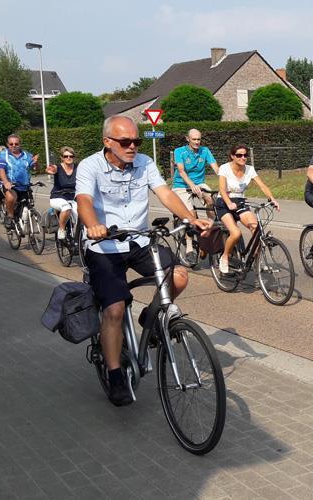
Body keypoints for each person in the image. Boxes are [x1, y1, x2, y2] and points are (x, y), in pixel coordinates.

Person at [76, 115, 210, 407]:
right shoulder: (90, 166)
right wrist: (92, 225)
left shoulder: (145, 163)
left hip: (138, 240)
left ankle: (150, 317)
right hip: (104, 245)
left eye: (136, 140)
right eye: (125, 142)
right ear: (107, 142)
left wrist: (191, 219)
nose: (133, 146)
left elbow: (165, 193)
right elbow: (84, 201)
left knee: (179, 276)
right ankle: (114, 375)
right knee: (113, 309)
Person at [215, 144, 279, 274]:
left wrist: (272, 199)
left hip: (240, 203)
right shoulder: (225, 168)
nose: (243, 158)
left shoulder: (250, 169)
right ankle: (225, 257)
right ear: (232, 156)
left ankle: (257, 262)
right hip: (224, 202)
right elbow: (222, 189)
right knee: (236, 233)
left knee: (257, 229)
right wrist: (228, 203)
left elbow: (262, 185)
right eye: (239, 155)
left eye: (245, 155)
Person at [173, 128, 219, 262]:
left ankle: (208, 233)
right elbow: (181, 171)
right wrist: (191, 185)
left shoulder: (205, 151)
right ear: (188, 139)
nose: (197, 142)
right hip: (181, 185)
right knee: (190, 215)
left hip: (200, 183)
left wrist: (225, 182)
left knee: (211, 201)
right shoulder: (179, 151)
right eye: (194, 139)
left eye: (199, 139)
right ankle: (189, 248)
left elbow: (216, 168)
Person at [0, 134, 39, 229]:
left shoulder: (27, 155)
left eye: (16, 143)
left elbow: (35, 169)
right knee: (11, 198)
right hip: (11, 185)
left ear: (20, 144)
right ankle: (10, 216)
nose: (13, 146)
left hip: (25, 185)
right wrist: (6, 182)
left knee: (29, 205)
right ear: (7, 144)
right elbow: (1, 170)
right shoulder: (3, 155)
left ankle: (31, 231)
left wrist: (36, 163)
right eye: (11, 144)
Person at [45, 147, 78, 240]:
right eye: (66, 156)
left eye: (71, 156)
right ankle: (61, 229)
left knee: (81, 215)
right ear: (62, 157)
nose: (68, 158)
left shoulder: (77, 167)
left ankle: (80, 239)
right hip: (58, 196)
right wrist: (50, 170)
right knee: (66, 208)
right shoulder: (58, 167)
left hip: (73, 197)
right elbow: (52, 169)